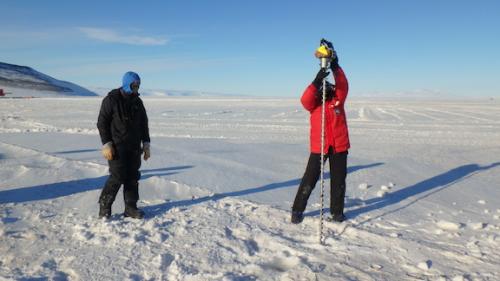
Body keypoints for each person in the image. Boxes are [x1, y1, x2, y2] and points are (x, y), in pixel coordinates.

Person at [291, 44, 350, 224]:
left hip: (339, 146)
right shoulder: (314, 105)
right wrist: (316, 81)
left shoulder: (337, 101)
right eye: (323, 88)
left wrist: (335, 66)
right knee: (310, 178)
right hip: (320, 146)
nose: (328, 90)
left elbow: (343, 85)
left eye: (329, 87)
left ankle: (337, 213)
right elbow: (305, 99)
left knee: (338, 181)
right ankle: (297, 210)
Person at [96, 71, 151, 219]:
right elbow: (102, 123)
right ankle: (104, 208)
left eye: (138, 85)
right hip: (117, 147)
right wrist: (106, 143)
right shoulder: (111, 100)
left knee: (133, 177)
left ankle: (131, 208)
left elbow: (144, 124)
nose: (136, 88)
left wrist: (146, 144)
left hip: (134, 147)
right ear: (127, 84)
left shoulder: (138, 102)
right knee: (117, 177)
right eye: (134, 85)